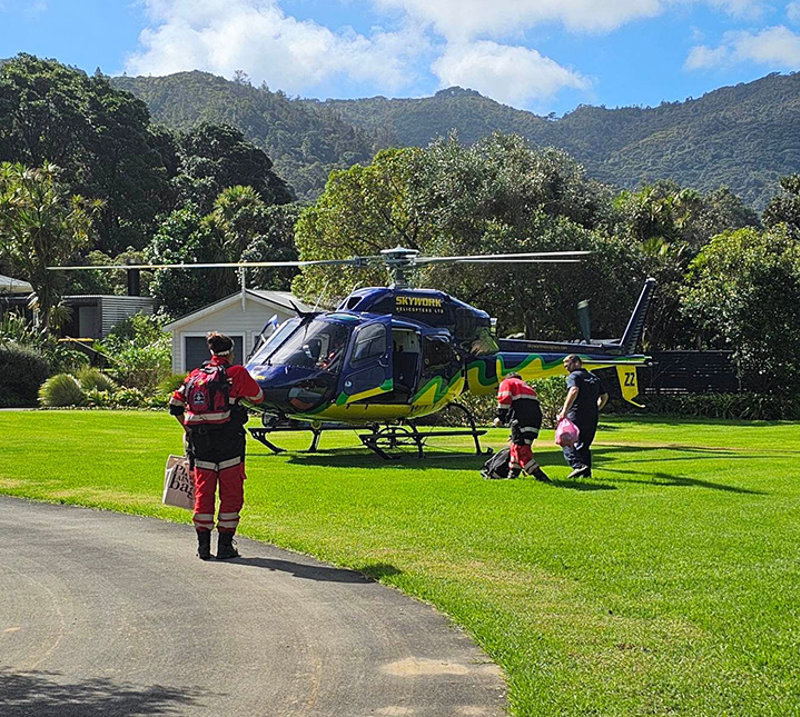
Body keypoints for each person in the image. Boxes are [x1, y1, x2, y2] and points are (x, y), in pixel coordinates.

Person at [169, 332, 264, 560]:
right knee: (231, 494)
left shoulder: (196, 375)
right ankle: (224, 547)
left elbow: (175, 405)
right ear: (231, 352)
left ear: (211, 353)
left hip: (200, 444)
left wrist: (189, 429)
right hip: (229, 442)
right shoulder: (237, 373)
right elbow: (258, 397)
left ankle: (203, 548)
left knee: (203, 492)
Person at [492, 372, 551, 482]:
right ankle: (512, 475)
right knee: (515, 446)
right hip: (534, 420)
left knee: (521, 450)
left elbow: (504, 400)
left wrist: (500, 418)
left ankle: (540, 476)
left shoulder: (507, 382)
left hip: (521, 420)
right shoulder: (525, 386)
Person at [556, 355, 608, 479]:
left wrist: (564, 411)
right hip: (592, 415)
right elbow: (605, 396)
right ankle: (586, 474)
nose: (566, 367)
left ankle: (577, 465)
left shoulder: (574, 376)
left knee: (565, 441)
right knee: (584, 445)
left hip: (576, 414)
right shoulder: (593, 377)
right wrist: (597, 408)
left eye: (567, 364)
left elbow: (574, 390)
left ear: (577, 363)